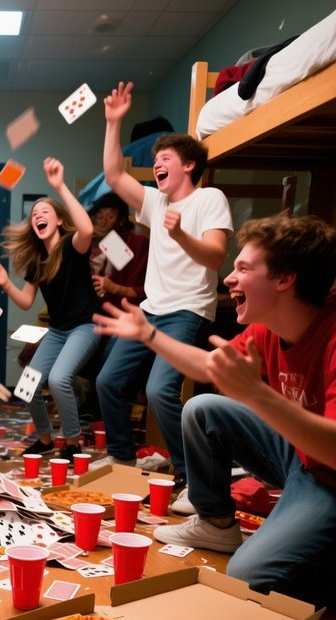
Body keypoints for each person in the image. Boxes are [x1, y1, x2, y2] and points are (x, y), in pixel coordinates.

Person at [93, 214, 336, 607]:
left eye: (244, 268)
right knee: (203, 408)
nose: (228, 279)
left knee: (249, 576)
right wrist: (148, 334)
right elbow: (209, 366)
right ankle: (217, 524)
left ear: (285, 280)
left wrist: (259, 396)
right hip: (305, 459)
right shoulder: (273, 325)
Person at [95, 81, 232, 482]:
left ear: (188, 165)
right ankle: (123, 461)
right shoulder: (155, 202)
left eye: (165, 157)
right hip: (150, 310)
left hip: (188, 311)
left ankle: (191, 474)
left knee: (159, 391)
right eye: (156, 159)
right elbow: (113, 173)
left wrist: (180, 235)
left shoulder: (210, 199)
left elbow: (216, 255)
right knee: (108, 380)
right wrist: (112, 122)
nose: (157, 164)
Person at [0, 157, 101, 463]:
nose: (38, 216)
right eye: (34, 213)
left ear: (59, 220)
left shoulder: (71, 246)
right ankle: (46, 438)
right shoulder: (37, 260)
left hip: (86, 326)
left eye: (44, 212)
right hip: (59, 330)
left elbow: (87, 228)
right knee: (27, 385)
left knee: (58, 379)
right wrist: (4, 282)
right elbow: (26, 301)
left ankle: (73, 441)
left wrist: (59, 186)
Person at [89, 192, 148, 310]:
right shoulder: (89, 239)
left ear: (121, 220)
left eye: (110, 217)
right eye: (99, 217)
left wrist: (114, 288)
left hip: (122, 307)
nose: (103, 222)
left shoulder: (133, 242)